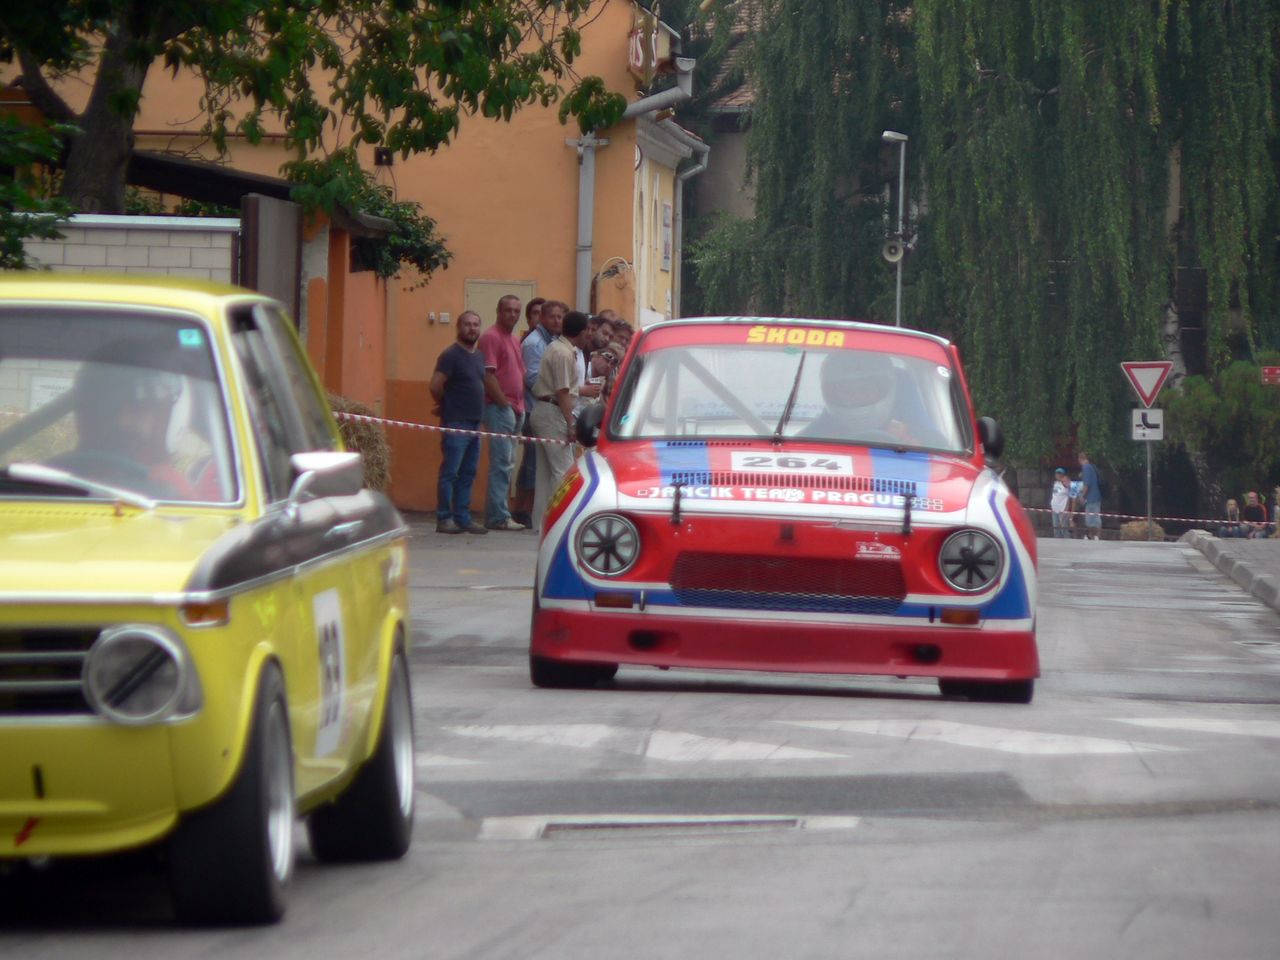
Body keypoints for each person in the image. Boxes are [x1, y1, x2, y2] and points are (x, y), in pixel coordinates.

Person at [528, 309, 592, 531]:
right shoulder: (563, 353)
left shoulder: (559, 348)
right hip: (553, 412)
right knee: (563, 471)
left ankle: (541, 523)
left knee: (546, 473)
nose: (589, 335)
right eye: (588, 330)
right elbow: (563, 391)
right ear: (581, 332)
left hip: (546, 410)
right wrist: (570, 423)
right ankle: (562, 521)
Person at [428, 310, 488, 536]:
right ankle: (444, 518)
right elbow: (435, 385)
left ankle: (463, 518)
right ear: (458, 327)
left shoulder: (479, 356)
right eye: (467, 324)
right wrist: (446, 404)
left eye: (476, 324)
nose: (472, 328)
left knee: (468, 472)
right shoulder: (450, 355)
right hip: (456, 422)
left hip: (475, 423)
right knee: (451, 472)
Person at [477, 294, 528, 531]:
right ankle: (497, 516)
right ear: (498, 311)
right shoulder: (491, 337)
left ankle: (501, 513)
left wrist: (518, 406)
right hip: (500, 408)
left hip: (516, 407)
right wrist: (504, 404)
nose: (513, 315)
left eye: (516, 311)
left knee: (508, 463)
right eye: (508, 310)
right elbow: (488, 376)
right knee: (501, 463)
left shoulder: (514, 340)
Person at [514, 298, 565, 528]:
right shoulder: (534, 343)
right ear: (542, 318)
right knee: (533, 463)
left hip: (543, 406)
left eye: (560, 317)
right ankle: (521, 510)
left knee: (539, 466)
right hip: (534, 406)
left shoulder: (551, 341)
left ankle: (532, 513)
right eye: (552, 316)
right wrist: (558, 390)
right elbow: (533, 379)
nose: (556, 321)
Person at [1077, 451, 1102, 540]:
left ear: (1080, 459)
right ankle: (1093, 535)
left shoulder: (1086, 467)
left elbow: (1086, 484)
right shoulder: (1092, 467)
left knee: (1091, 518)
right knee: (1093, 517)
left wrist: (1082, 496)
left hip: (1091, 497)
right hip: (1096, 496)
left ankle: (1095, 535)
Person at [1051, 467, 1072, 538]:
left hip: (1062, 509)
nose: (1058, 475)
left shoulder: (1065, 483)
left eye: (1060, 473)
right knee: (1056, 528)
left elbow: (1069, 497)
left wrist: (1066, 508)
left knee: (1064, 529)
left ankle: (1068, 542)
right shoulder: (1055, 483)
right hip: (1054, 509)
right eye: (1057, 473)